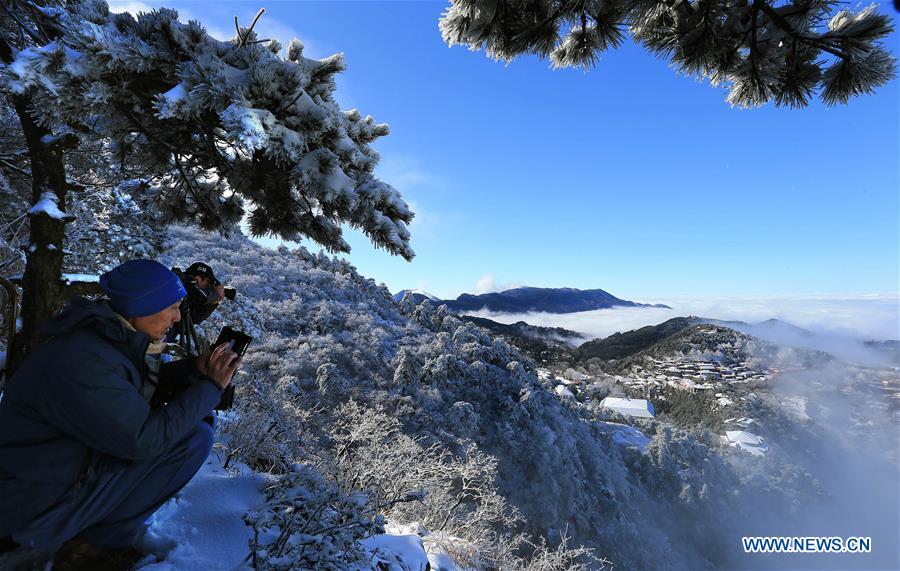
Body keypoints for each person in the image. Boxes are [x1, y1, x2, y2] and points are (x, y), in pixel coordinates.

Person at [0, 259, 241, 570]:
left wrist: (192, 371)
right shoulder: (84, 360)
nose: (177, 318)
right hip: (25, 509)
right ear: (141, 308)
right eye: (171, 307)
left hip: (46, 477)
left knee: (195, 428)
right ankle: (89, 547)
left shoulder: (98, 342)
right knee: (191, 439)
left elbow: (120, 388)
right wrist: (210, 388)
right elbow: (143, 440)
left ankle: (93, 536)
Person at [167, 262, 228, 351]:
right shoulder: (178, 279)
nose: (207, 287)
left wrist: (213, 303)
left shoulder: (189, 296)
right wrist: (216, 294)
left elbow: (194, 319)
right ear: (197, 279)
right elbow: (202, 295)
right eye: (207, 283)